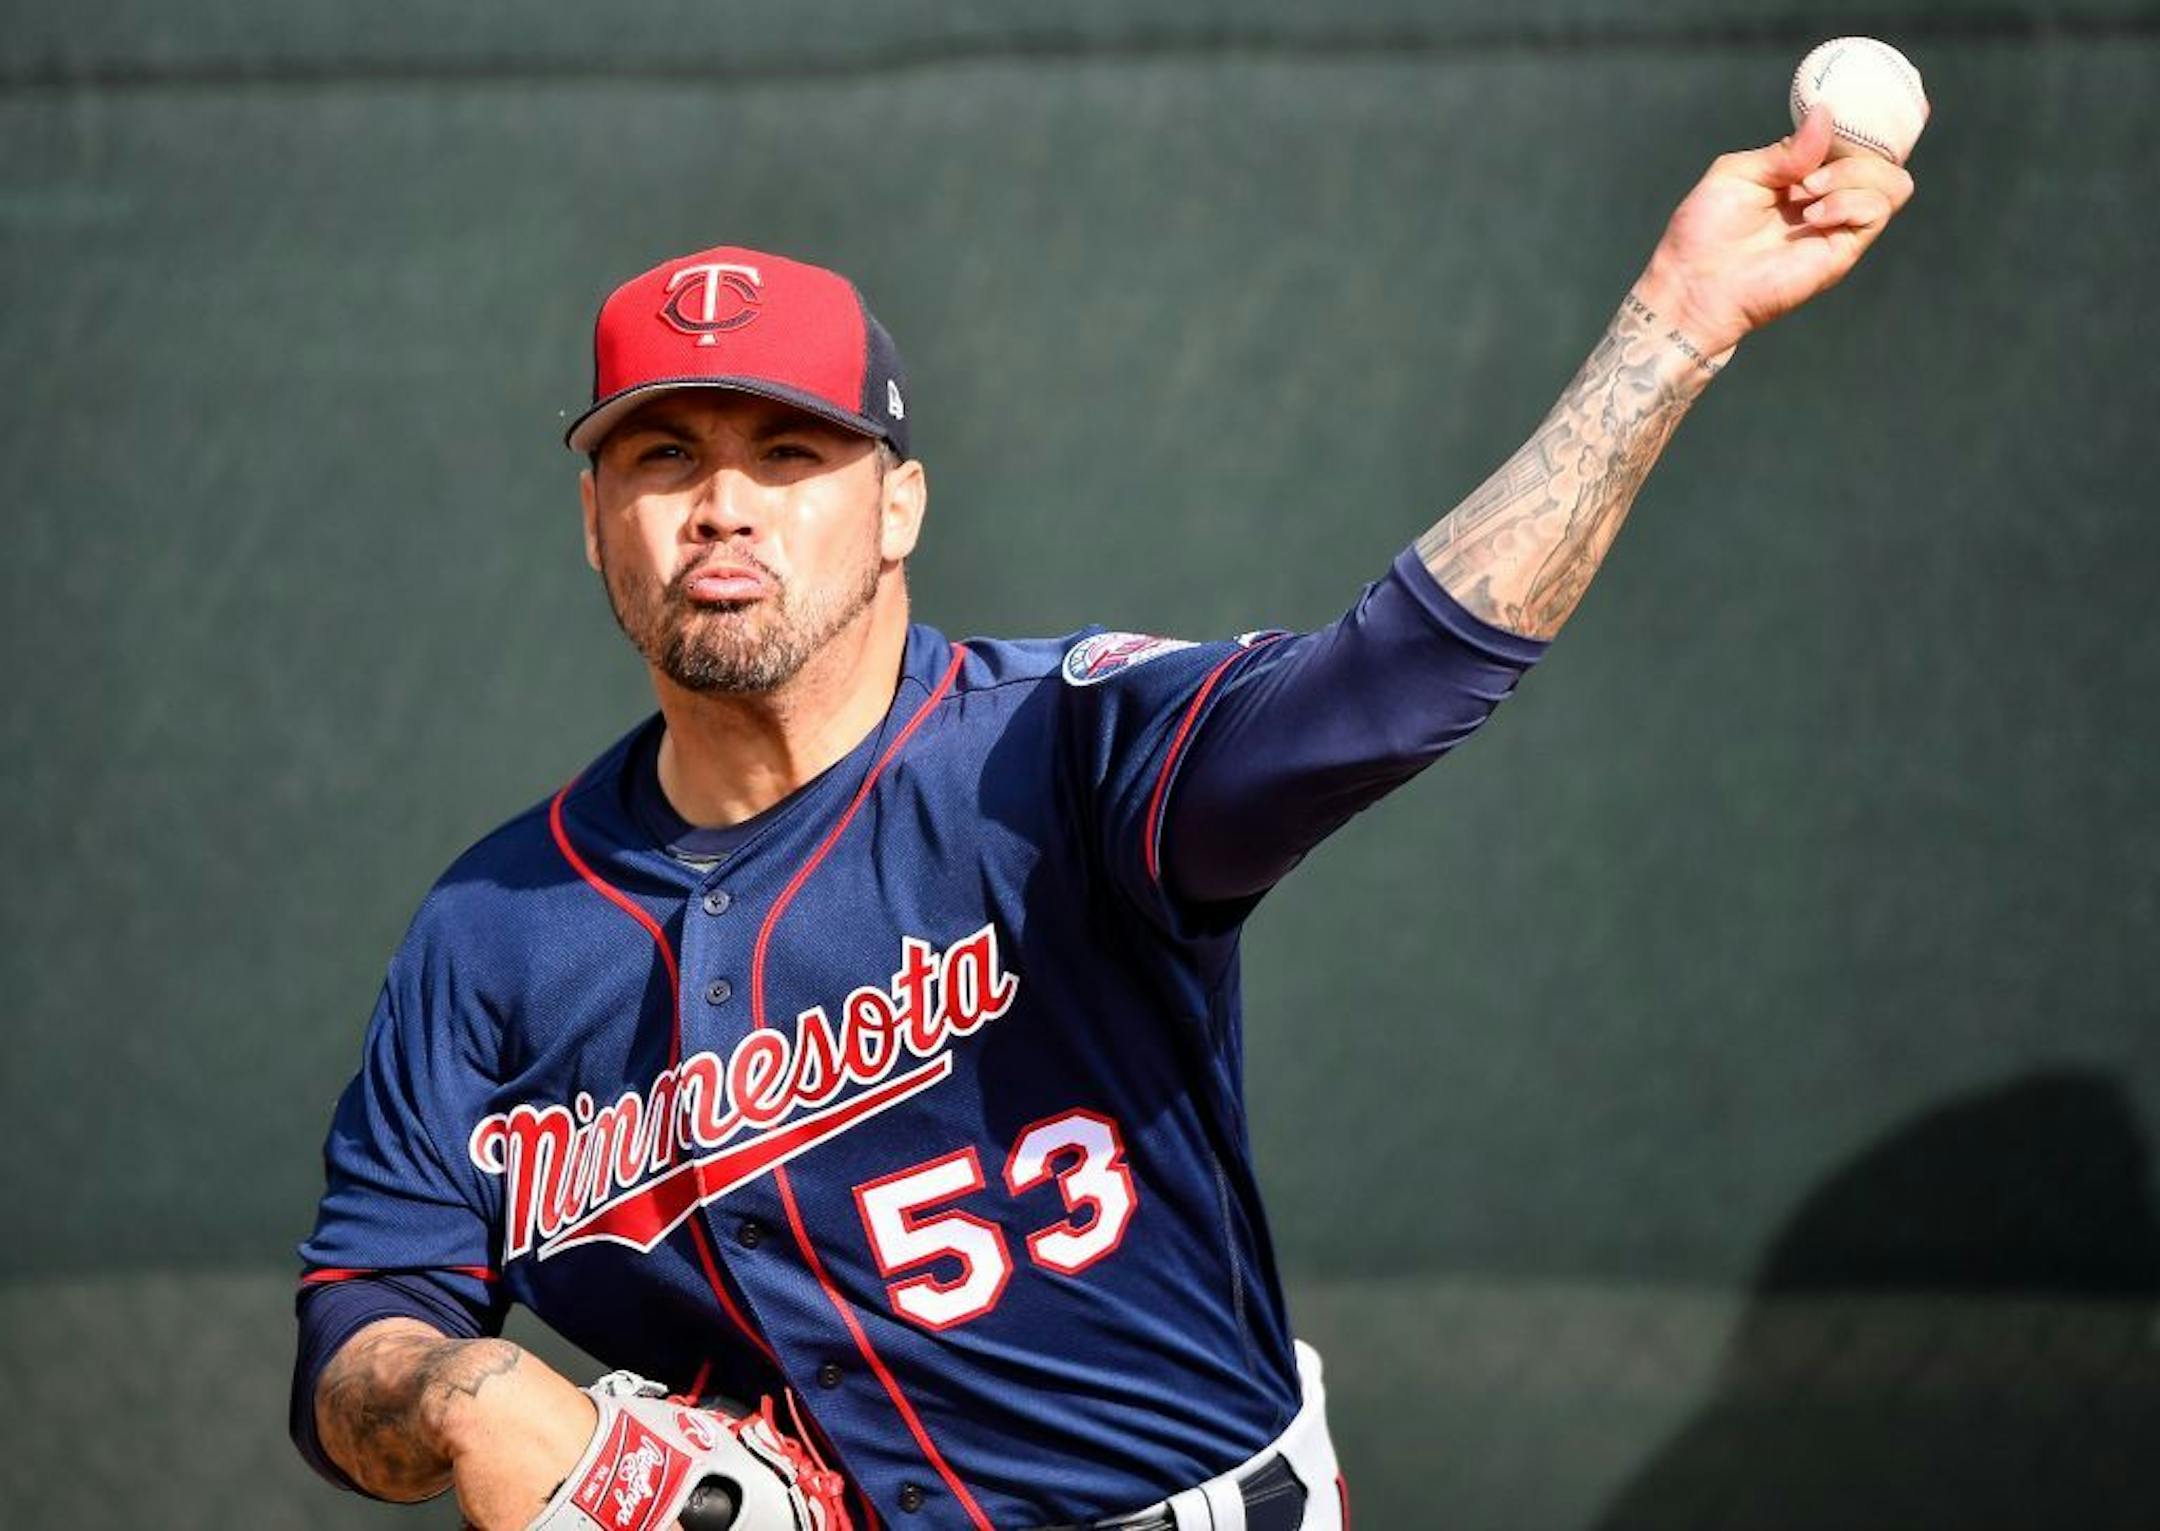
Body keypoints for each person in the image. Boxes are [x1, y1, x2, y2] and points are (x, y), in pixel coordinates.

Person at [293, 106, 1912, 1530]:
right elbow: (362, 1310)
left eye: (789, 449)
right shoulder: (494, 932)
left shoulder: (1058, 751)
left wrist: (1677, 325)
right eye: (662, 455)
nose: (722, 501)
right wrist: (446, 1393)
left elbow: (1394, 685)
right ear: (595, 522)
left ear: (899, 501)